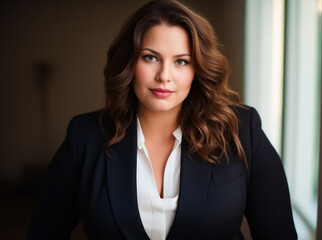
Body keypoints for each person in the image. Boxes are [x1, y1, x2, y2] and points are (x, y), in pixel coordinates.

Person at [27, 0, 297, 239]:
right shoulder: (84, 137)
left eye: (181, 61)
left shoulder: (243, 130)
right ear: (129, 63)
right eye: (150, 57)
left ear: (197, 69)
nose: (164, 75)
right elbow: (44, 233)